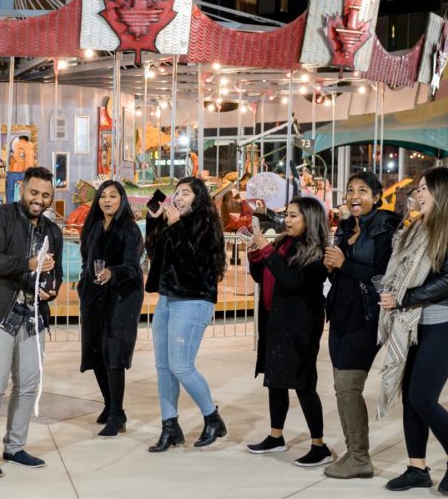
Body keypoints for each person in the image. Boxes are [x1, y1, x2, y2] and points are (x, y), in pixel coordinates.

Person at [378, 167, 448, 495]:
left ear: (442, 192)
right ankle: (416, 467)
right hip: (415, 324)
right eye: (418, 189)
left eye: (426, 189)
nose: (420, 194)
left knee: (423, 397)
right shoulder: (419, 228)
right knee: (411, 399)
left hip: (446, 325)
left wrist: (404, 298)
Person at [0, 166, 63, 478]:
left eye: (46, 195)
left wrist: (51, 289)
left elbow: (56, 273)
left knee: (29, 385)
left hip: (31, 314)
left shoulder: (52, 231)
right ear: (21, 188)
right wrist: (30, 263)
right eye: (34, 192)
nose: (39, 200)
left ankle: (15, 447)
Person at [322, 172, 402, 479]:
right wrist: (330, 268)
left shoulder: (387, 227)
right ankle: (354, 452)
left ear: (377, 197)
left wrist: (344, 264)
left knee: (348, 386)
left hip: (367, 318)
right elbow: (340, 273)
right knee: (341, 388)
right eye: (350, 190)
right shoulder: (344, 226)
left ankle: (359, 456)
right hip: (340, 315)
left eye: (363, 190)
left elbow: (383, 276)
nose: (355, 195)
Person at [246, 196, 332, 467]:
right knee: (275, 378)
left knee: (303, 383)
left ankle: (319, 445)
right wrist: (255, 254)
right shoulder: (283, 242)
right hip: (275, 319)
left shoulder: (317, 251)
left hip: (300, 324)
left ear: (311, 218)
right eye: (287, 215)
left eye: (294, 215)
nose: (288, 220)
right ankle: (276, 436)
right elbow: (263, 276)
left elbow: (292, 281)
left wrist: (268, 253)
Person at [144, 177, 227, 452]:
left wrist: (177, 225)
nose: (178, 198)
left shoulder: (205, 224)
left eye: (186, 193)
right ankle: (170, 426)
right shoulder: (176, 223)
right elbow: (155, 253)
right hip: (167, 300)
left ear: (198, 197)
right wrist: (155, 222)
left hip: (193, 301)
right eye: (177, 193)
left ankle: (212, 418)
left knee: (181, 365)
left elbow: (194, 261)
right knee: (164, 367)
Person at [78, 180, 144, 437]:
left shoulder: (129, 229)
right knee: (95, 351)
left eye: (113, 196)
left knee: (113, 352)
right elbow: (86, 259)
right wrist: (84, 286)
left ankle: (118, 413)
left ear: (122, 200)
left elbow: (133, 266)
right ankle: (109, 404)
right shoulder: (93, 226)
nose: (107, 200)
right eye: (103, 196)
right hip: (94, 295)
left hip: (122, 297)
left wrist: (112, 272)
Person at [5, 135, 34, 202]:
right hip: (25, 172)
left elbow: (13, 159)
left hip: (13, 172)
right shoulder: (30, 145)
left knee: (11, 191)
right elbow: (29, 161)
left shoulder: (17, 144)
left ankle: (10, 207)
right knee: (26, 191)